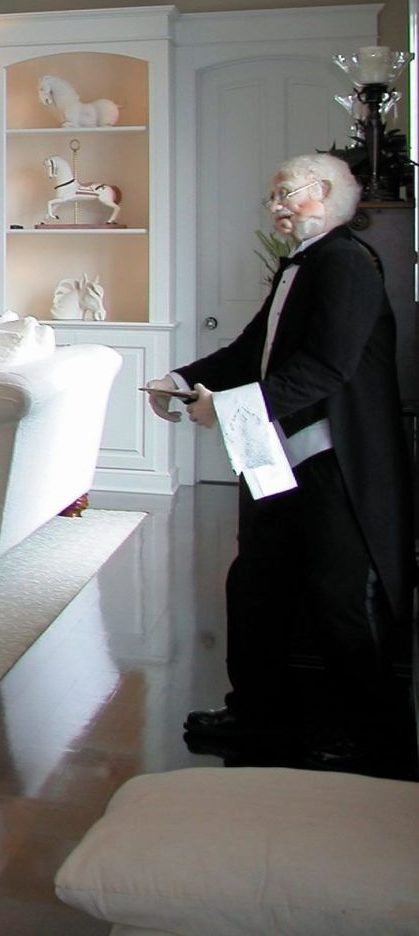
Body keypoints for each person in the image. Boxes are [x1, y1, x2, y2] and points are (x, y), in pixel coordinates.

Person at [145, 152, 411, 769]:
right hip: (279, 456)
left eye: (286, 194)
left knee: (342, 600)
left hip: (336, 463)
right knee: (256, 585)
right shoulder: (303, 264)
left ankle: (375, 741)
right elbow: (252, 351)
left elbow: (326, 369)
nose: (275, 207)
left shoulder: (346, 262)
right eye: (274, 197)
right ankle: (257, 715)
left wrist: (227, 409)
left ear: (326, 192)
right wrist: (177, 379)